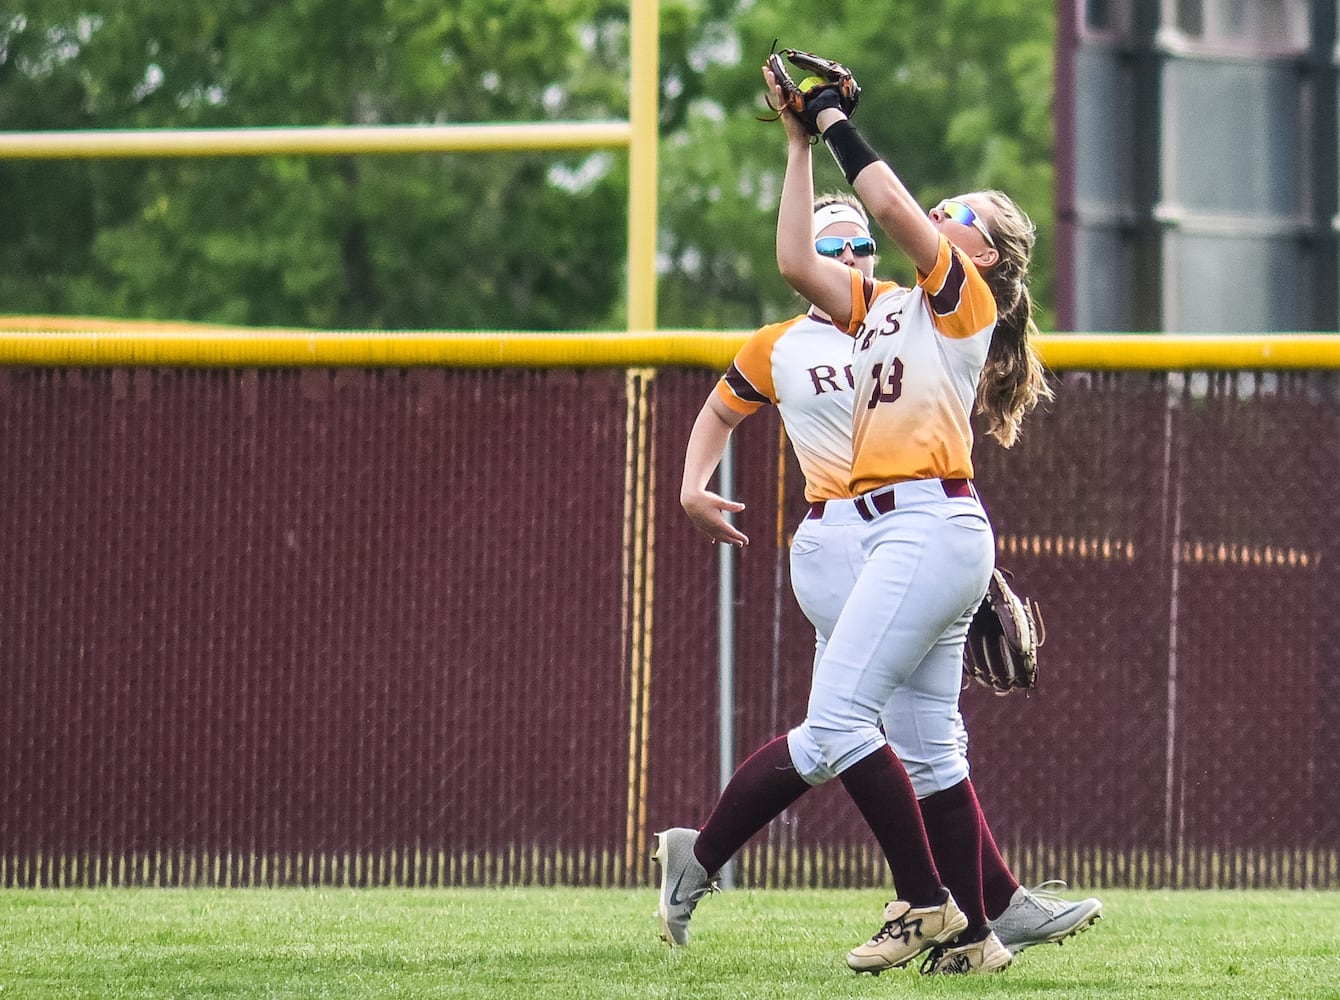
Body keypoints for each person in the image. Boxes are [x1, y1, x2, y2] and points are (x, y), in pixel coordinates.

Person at [652, 64, 1070, 976]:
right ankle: (981, 933)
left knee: (838, 724)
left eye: (961, 211)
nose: (942, 212)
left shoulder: (962, 292)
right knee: (920, 746)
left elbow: (885, 204)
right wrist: (800, 142)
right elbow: (802, 263)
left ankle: (930, 903)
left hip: (923, 527)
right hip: (900, 533)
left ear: (984, 252)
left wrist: (835, 117)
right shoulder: (884, 306)